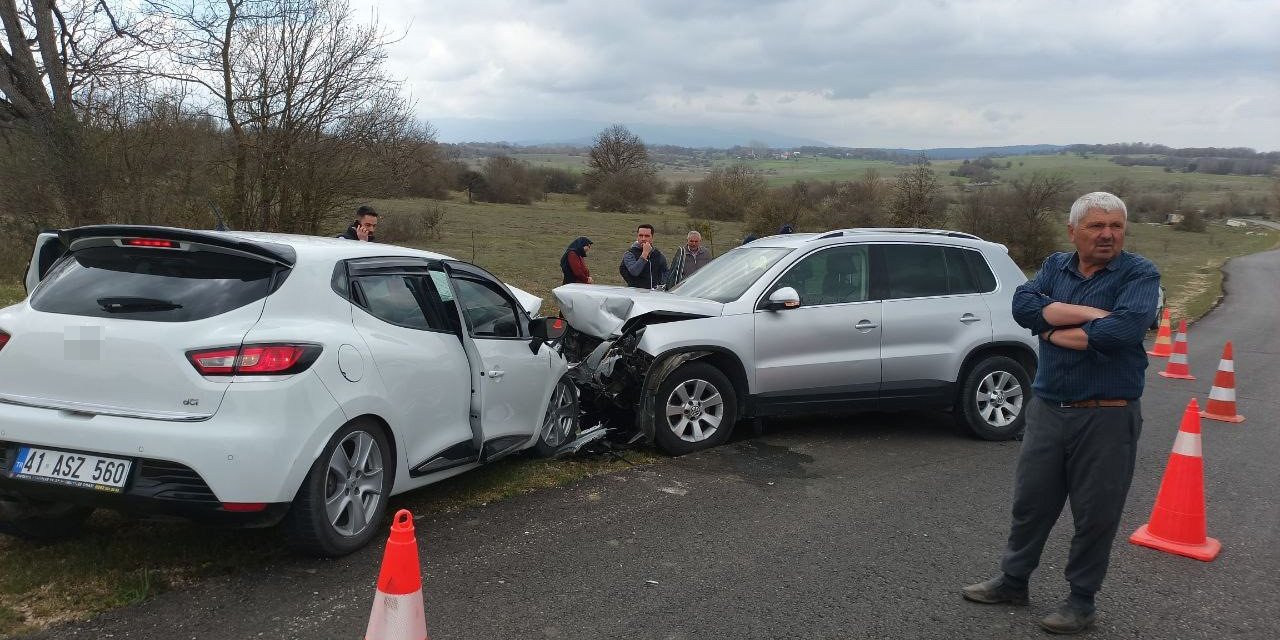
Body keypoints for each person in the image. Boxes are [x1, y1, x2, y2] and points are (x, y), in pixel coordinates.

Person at [961, 192, 1160, 635]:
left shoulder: (1140, 273)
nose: (1107, 234)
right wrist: (1089, 319)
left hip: (1108, 415)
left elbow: (1124, 331)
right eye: (1096, 226)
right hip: (1049, 408)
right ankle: (1013, 581)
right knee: (1031, 504)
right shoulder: (1054, 266)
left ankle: (1081, 600)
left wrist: (1048, 330)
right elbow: (1022, 308)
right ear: (1074, 232)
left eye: (1115, 226)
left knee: (1096, 513)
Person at [619, 223, 668, 289]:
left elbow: (665, 272)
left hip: (654, 294)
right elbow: (635, 272)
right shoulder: (629, 254)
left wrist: (661, 285)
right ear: (637, 237)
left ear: (652, 237)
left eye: (647, 236)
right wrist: (645, 254)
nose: (643, 238)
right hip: (635, 293)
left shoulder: (658, 255)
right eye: (640, 235)